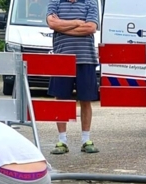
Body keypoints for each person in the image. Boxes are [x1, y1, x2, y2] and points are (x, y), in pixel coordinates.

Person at [46, 0, 100, 155]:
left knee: (86, 100)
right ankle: (62, 141)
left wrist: (62, 26)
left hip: (86, 58)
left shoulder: (90, 2)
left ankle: (86, 140)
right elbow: (52, 24)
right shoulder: (55, 2)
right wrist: (77, 22)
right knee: (61, 101)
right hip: (61, 59)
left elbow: (91, 27)